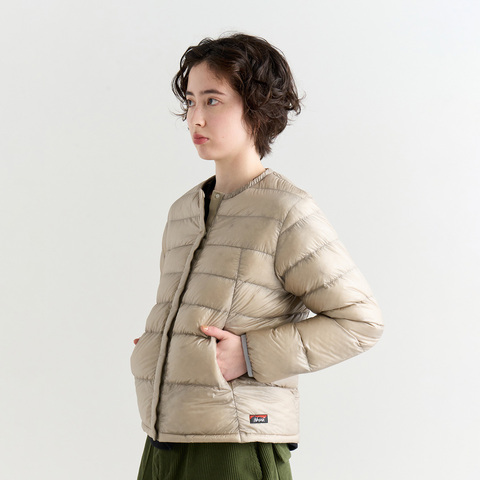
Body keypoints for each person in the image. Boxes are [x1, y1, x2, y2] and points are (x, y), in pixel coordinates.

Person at [131, 32, 383, 480]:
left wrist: (249, 353)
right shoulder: (183, 211)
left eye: (213, 100)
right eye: (190, 101)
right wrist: (164, 344)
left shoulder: (286, 210)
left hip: (235, 449)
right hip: (163, 440)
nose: (195, 118)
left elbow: (361, 322)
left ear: (257, 107)